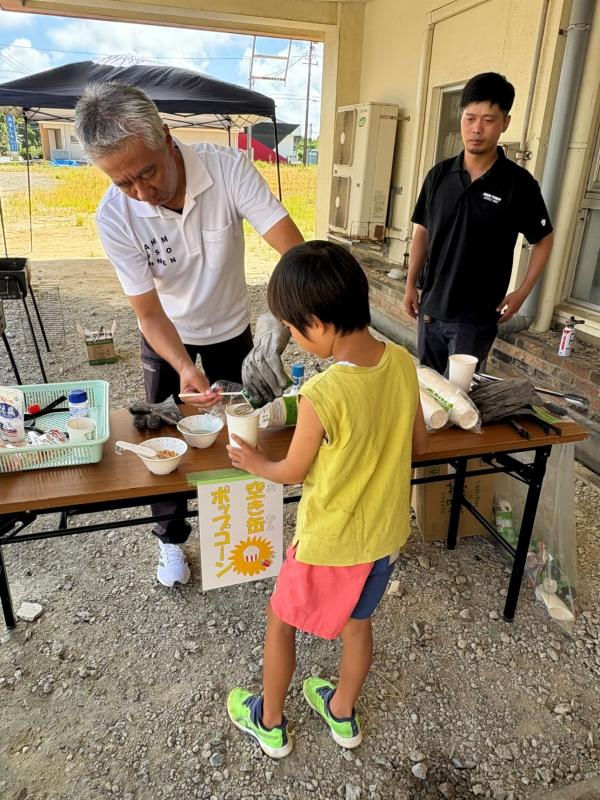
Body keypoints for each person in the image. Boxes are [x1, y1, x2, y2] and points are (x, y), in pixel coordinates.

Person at [74, 83, 303, 588]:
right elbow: (149, 313)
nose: (142, 192)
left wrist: (278, 319)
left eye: (147, 172)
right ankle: (171, 539)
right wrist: (182, 366)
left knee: (243, 428)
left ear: (166, 137)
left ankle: (241, 532)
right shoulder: (115, 215)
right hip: (167, 339)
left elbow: (295, 254)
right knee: (162, 439)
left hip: (232, 330)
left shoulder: (227, 168)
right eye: (122, 182)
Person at [224, 241, 428, 758]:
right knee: (358, 626)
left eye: (292, 329)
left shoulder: (321, 393)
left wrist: (253, 462)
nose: (292, 338)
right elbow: (419, 445)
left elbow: (291, 472)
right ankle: (341, 712)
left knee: (281, 620)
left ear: (316, 324)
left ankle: (270, 721)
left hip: (330, 542)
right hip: (384, 538)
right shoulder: (404, 363)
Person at [403, 72, 554, 376]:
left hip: (475, 320)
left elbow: (543, 239)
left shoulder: (518, 184)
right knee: (428, 390)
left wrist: (522, 293)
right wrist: (410, 284)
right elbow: (423, 231)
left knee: (461, 396)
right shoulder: (438, 175)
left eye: (488, 120)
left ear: (505, 123)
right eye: (470, 118)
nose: (476, 129)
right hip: (430, 310)